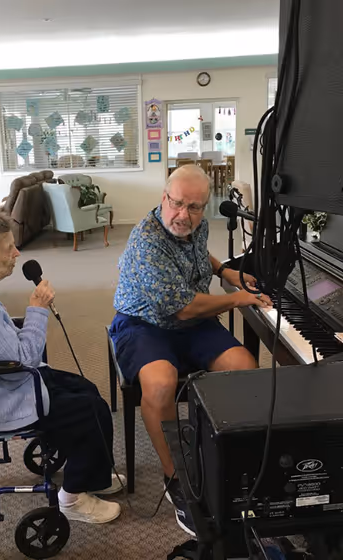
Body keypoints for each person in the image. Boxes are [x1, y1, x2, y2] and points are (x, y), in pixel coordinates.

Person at [0, 207, 124, 524]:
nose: (17, 253)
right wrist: (36, 311)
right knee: (89, 409)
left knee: (85, 388)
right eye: (8, 249)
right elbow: (22, 362)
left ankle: (92, 474)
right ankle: (73, 497)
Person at [109, 165, 272, 536]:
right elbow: (180, 307)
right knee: (162, 382)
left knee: (245, 368)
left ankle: (227, 454)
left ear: (204, 206)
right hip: (143, 322)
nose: (184, 215)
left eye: (195, 207)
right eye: (177, 204)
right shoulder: (147, 240)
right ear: (163, 198)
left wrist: (226, 272)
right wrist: (236, 299)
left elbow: (200, 257)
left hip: (191, 321)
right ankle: (176, 479)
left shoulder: (196, 223)